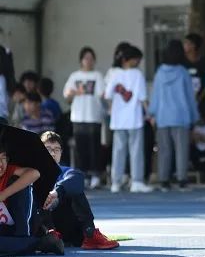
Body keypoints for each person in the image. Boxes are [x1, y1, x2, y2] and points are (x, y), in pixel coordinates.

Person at [36, 131, 119, 249]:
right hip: (42, 224)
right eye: (48, 149)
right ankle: (50, 235)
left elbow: (77, 178)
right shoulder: (31, 172)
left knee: (74, 188)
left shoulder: (66, 171)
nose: (53, 153)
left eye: (57, 149)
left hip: (67, 225)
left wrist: (56, 192)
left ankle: (90, 234)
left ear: (61, 153)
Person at [148, 39, 197, 190]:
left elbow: (155, 95)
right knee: (182, 149)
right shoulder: (183, 72)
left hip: (163, 116)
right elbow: (190, 97)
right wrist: (194, 116)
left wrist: (152, 113)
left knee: (164, 149)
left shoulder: (160, 73)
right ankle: (182, 179)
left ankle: (164, 179)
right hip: (181, 116)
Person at [0, 144, 64, 257]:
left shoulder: (10, 170)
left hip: (20, 227)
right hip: (4, 231)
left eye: (3, 158)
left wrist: (3, 195)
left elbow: (34, 173)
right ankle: (38, 243)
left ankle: (26, 239)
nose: (1, 164)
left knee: (21, 182)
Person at [104, 44, 151, 193]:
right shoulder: (137, 75)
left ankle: (116, 182)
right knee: (136, 150)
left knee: (118, 151)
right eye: (136, 59)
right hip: (134, 118)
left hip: (118, 119)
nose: (137, 62)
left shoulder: (115, 74)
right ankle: (136, 181)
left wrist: (111, 108)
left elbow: (107, 95)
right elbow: (143, 97)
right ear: (128, 60)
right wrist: (148, 113)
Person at [63, 46, 106, 189]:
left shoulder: (98, 76)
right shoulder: (74, 76)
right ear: (81, 60)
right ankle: (83, 176)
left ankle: (95, 175)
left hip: (94, 117)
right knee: (80, 148)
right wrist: (74, 92)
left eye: (91, 58)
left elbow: (102, 94)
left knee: (94, 147)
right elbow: (67, 96)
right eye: (86, 58)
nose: (89, 61)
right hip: (78, 117)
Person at [183, 33, 205, 110]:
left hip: (202, 102)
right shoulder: (181, 63)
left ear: (193, 46)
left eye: (186, 43)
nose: (184, 45)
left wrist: (199, 98)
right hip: (184, 103)